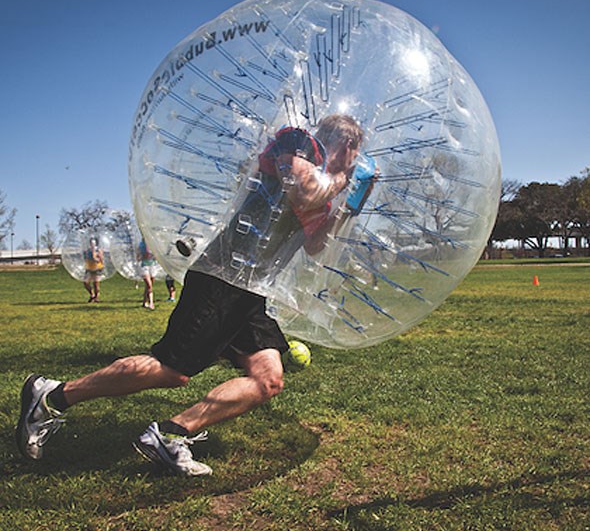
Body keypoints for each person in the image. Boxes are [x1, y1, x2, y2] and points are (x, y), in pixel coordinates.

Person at [16, 114, 368, 476]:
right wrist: (343, 179)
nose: (356, 159)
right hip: (220, 278)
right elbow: (302, 187)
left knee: (268, 379)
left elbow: (313, 244)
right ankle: (52, 396)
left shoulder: (324, 185)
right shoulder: (297, 143)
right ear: (344, 144)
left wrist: (349, 206)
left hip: (250, 290)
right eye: (355, 151)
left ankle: (171, 434)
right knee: (172, 368)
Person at [83, 237, 105, 303]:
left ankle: (96, 297)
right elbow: (86, 258)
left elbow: (101, 259)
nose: (92, 244)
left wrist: (96, 256)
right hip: (89, 268)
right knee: (85, 282)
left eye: (93, 243)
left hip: (97, 268)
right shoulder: (88, 250)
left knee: (96, 284)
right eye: (91, 243)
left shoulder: (98, 250)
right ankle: (92, 294)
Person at [138, 238, 157, 310]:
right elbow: (140, 256)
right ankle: (151, 303)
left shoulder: (153, 245)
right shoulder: (141, 245)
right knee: (149, 285)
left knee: (149, 286)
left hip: (152, 266)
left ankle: (144, 302)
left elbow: (155, 255)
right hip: (144, 266)